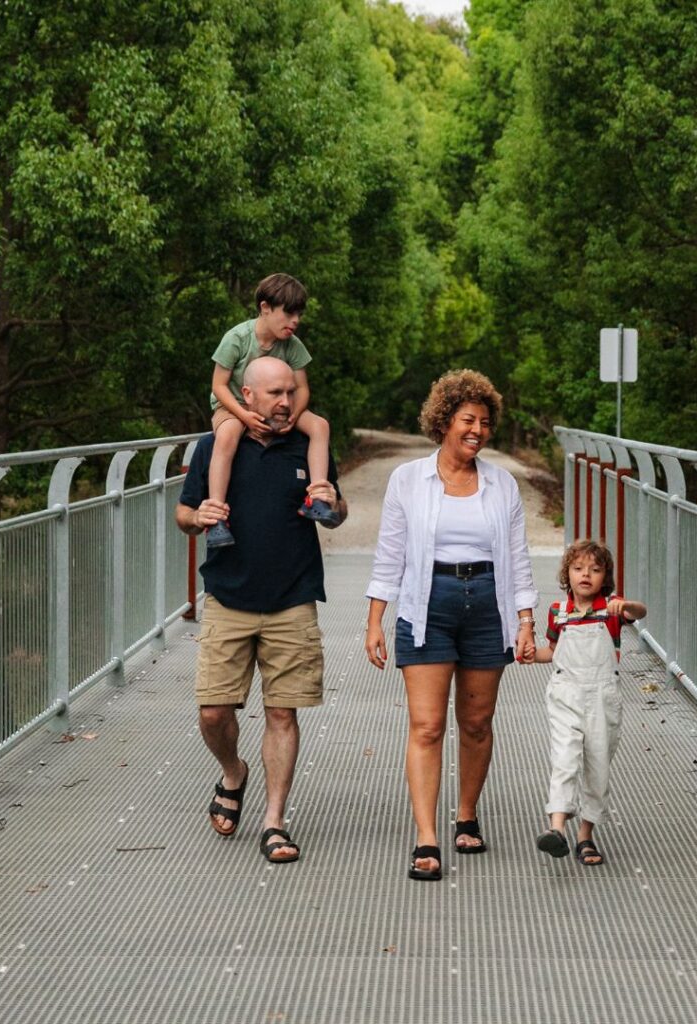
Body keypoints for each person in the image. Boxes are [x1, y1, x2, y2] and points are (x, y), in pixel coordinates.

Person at [364, 369, 538, 881]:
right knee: (427, 725)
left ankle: (467, 814)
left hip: (488, 603)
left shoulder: (501, 484)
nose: (477, 430)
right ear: (443, 421)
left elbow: (519, 559)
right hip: (428, 605)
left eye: (485, 422)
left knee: (477, 723)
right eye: (467, 419)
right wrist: (376, 620)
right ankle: (426, 837)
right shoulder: (408, 480)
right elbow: (389, 554)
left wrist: (525, 620)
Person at [176, 356, 347, 864]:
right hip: (228, 596)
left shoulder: (308, 444)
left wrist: (331, 501)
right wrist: (197, 515)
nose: (285, 402)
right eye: (273, 393)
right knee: (212, 712)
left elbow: (336, 515)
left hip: (292, 599)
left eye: (290, 392)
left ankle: (274, 821)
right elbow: (184, 514)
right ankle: (233, 772)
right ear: (246, 396)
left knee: (281, 711)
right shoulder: (215, 445)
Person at [526, 539, 646, 866]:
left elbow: (639, 611)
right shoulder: (558, 612)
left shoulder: (611, 608)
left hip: (602, 695)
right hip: (566, 692)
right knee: (564, 756)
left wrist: (626, 607)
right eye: (578, 569)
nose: (586, 575)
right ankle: (556, 828)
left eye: (595, 570)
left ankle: (586, 833)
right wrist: (527, 654)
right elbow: (551, 652)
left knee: (598, 764)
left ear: (604, 576)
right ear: (567, 573)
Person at [205, 272, 337, 548]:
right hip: (234, 405)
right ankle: (218, 516)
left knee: (320, 426)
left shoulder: (292, 346)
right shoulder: (237, 338)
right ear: (265, 308)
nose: (295, 321)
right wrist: (243, 416)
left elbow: (302, 389)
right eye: (289, 313)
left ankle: (317, 496)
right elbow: (219, 385)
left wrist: (293, 417)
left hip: (281, 407)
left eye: (299, 314)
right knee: (228, 435)